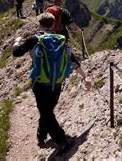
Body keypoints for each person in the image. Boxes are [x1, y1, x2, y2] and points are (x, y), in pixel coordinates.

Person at [12, 13, 92, 153]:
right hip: (57, 83)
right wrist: (85, 77)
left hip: (40, 83)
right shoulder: (62, 40)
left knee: (46, 112)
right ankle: (41, 137)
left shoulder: (34, 39)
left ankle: (62, 141)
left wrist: (17, 42)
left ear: (40, 24)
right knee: (47, 111)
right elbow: (73, 60)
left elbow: (16, 53)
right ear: (54, 24)